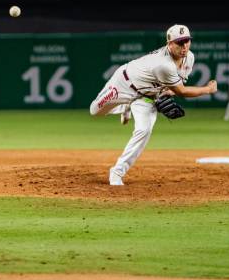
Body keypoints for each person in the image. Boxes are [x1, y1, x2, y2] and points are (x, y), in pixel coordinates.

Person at [89, 25, 217, 185]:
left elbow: (173, 88)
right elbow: (182, 91)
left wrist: (166, 93)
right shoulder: (163, 64)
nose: (184, 46)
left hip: (148, 96)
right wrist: (208, 89)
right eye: (179, 42)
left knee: (144, 130)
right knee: (95, 111)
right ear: (169, 43)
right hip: (124, 84)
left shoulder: (189, 58)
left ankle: (117, 172)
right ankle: (125, 106)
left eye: (187, 41)